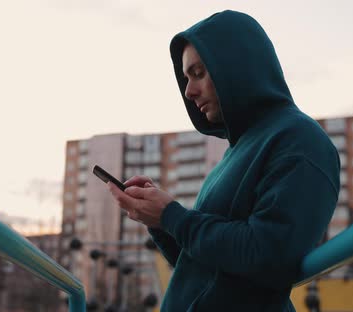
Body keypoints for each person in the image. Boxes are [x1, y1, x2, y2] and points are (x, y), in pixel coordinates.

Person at [108, 10, 340, 311]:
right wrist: (159, 220)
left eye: (199, 73)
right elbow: (205, 267)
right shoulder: (236, 152)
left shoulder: (301, 140)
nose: (189, 91)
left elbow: (270, 256)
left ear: (238, 65)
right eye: (186, 77)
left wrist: (172, 216)